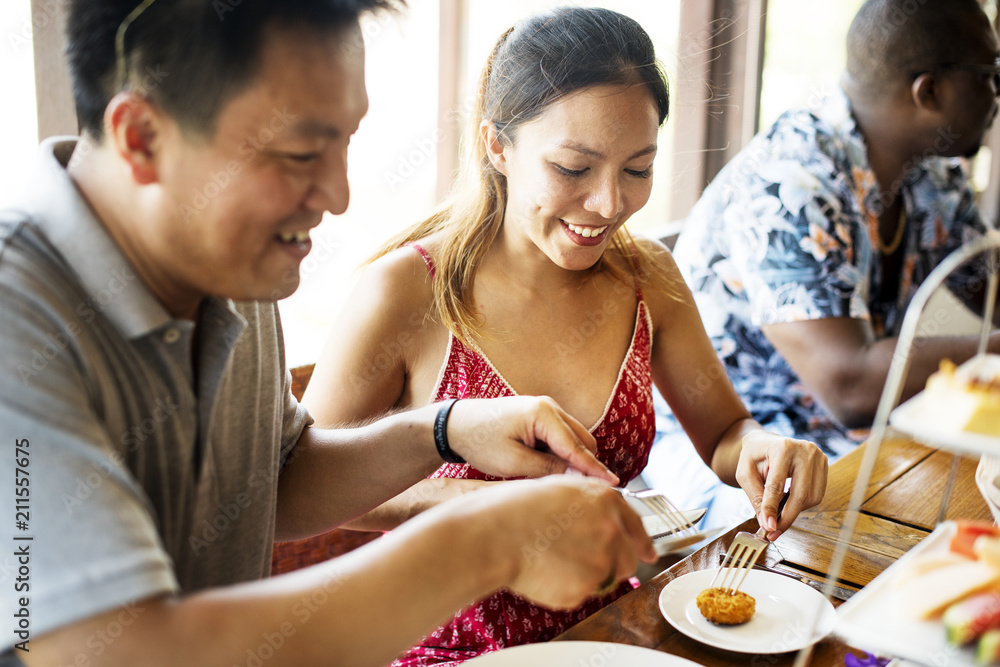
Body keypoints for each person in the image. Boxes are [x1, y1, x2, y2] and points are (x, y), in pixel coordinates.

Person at [0, 2, 675, 666]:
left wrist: (447, 427)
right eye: (300, 153)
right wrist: (486, 539)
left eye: (346, 141)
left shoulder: (227, 261)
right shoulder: (16, 317)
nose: (339, 192)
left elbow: (278, 480)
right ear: (143, 138)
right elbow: (110, 651)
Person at [303, 7, 828, 664]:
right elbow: (310, 490)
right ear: (498, 145)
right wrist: (497, 507)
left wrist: (765, 448)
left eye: (637, 169)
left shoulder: (649, 280)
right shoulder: (405, 293)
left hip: (617, 630)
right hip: (444, 642)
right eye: (574, 169)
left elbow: (725, 433)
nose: (609, 203)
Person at [645, 0, 1000, 529]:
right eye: (990, 77)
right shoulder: (792, 182)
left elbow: (987, 295)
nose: (996, 96)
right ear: (930, 91)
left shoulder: (933, 174)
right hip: (736, 446)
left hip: (850, 439)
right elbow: (850, 388)